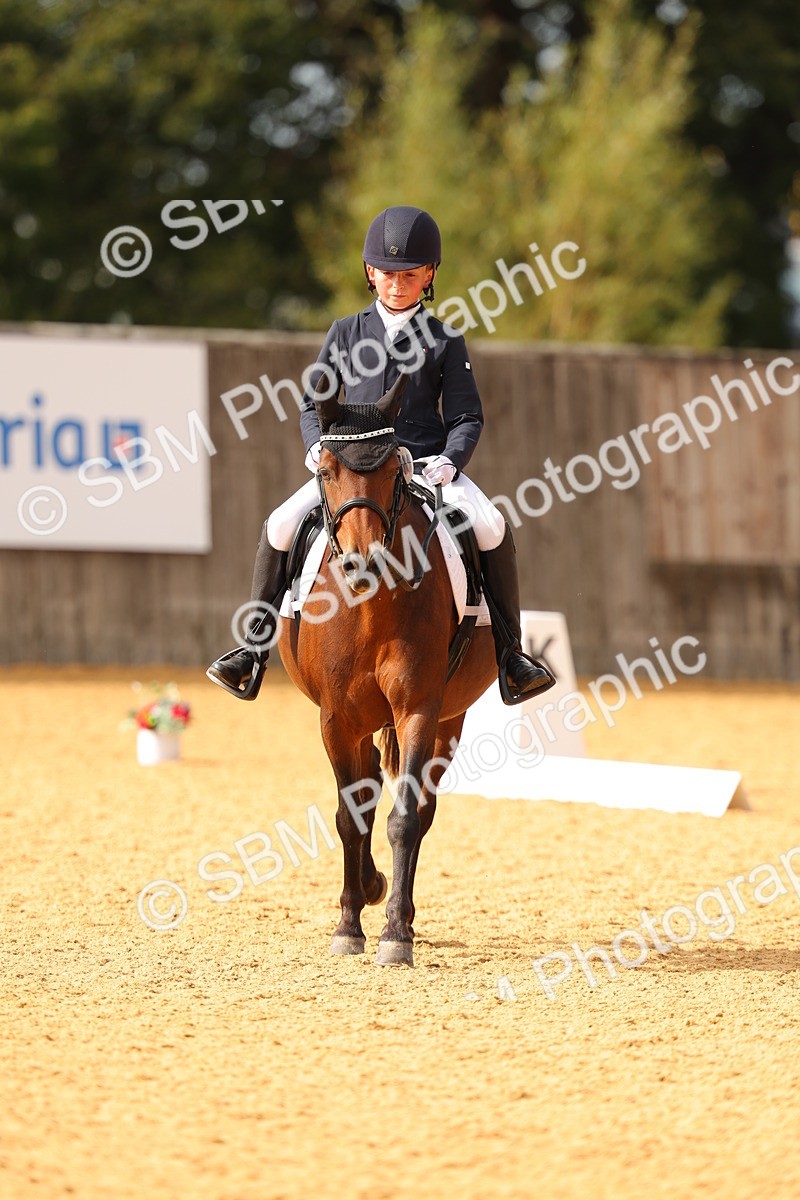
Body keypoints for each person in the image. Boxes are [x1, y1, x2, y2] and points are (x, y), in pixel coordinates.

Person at [207, 205, 556, 703]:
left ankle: (511, 657)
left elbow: (466, 416)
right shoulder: (345, 332)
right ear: (371, 273)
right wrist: (315, 447)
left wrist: (452, 460)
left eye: (410, 275)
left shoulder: (444, 339)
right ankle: (252, 652)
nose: (398, 285)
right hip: (352, 467)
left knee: (492, 525)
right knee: (280, 525)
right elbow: (313, 403)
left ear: (429, 275)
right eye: (389, 274)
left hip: (425, 466)